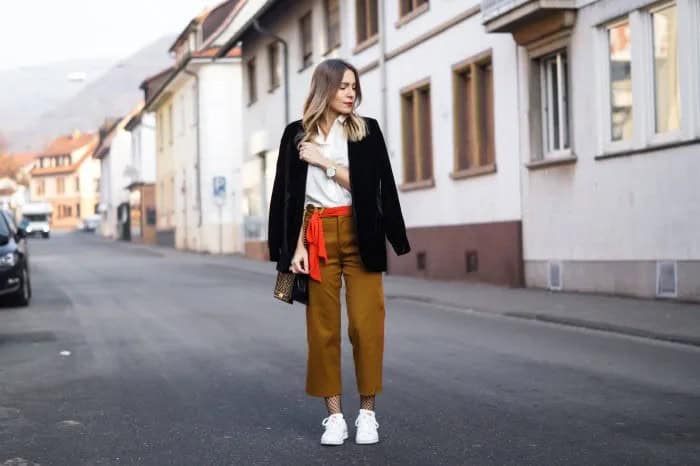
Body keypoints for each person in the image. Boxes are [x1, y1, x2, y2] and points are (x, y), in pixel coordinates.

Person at [268, 58, 410, 446]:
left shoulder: (366, 131)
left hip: (360, 231)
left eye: (354, 86)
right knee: (322, 329)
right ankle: (334, 418)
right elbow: (290, 196)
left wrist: (326, 163)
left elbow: (371, 191)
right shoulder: (296, 135)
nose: (351, 93)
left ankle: (367, 414)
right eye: (343, 86)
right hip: (315, 234)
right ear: (324, 89)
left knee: (367, 325)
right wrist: (293, 248)